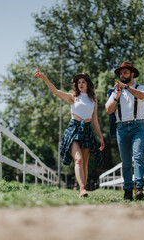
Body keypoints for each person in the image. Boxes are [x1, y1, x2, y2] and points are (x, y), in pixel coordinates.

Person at [35, 68, 104, 198]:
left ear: (88, 84)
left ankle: (81, 189)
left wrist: (100, 137)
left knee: (84, 163)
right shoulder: (73, 97)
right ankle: (83, 188)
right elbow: (56, 91)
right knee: (78, 159)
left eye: (83, 82)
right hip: (74, 129)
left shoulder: (93, 100)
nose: (81, 84)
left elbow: (95, 120)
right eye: (79, 82)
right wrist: (45, 78)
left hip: (87, 130)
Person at [105, 62, 144, 200]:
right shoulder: (114, 91)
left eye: (125, 72)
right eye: (121, 73)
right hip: (121, 128)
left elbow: (142, 96)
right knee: (126, 162)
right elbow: (108, 110)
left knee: (138, 156)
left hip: (138, 126)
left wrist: (127, 88)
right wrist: (117, 96)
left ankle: (139, 188)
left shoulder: (141, 88)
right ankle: (127, 190)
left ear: (132, 74)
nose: (122, 75)